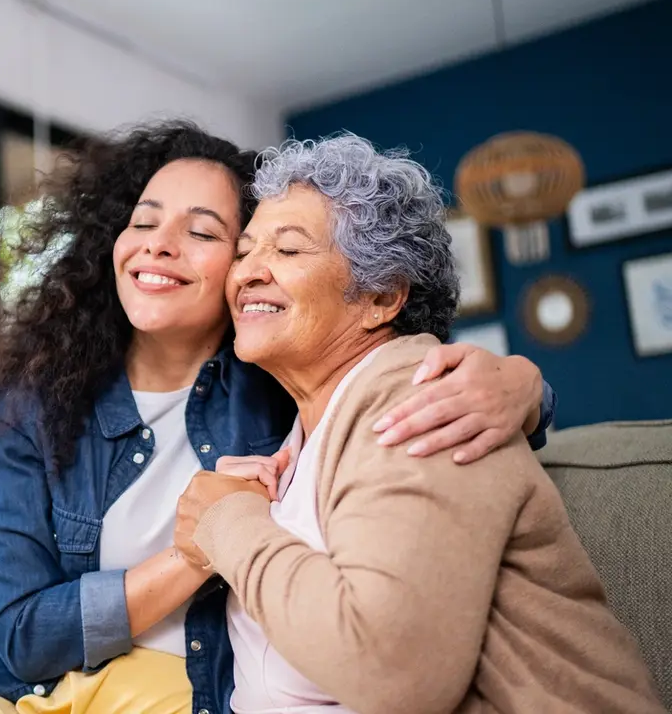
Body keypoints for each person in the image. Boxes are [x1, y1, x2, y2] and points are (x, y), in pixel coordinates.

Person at [0, 122, 556, 714]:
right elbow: (23, 638)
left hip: (183, 692)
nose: (158, 245)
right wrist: (194, 552)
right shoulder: (30, 406)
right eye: (142, 221)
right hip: (21, 692)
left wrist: (527, 387)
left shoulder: (279, 382)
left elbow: (398, 392)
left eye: (203, 231)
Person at [174, 134, 659, 713]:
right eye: (247, 250)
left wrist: (229, 524)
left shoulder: (422, 397)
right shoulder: (302, 433)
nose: (248, 272)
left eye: (289, 250)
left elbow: (391, 669)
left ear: (380, 296)